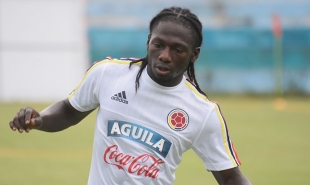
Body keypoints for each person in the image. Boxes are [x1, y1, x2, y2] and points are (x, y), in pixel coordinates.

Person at [9, 6, 252, 185]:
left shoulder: (202, 112)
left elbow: (230, 177)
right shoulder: (108, 74)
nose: (165, 55)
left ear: (194, 54)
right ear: (148, 42)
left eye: (177, 49)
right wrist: (40, 119)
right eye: (159, 44)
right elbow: (69, 111)